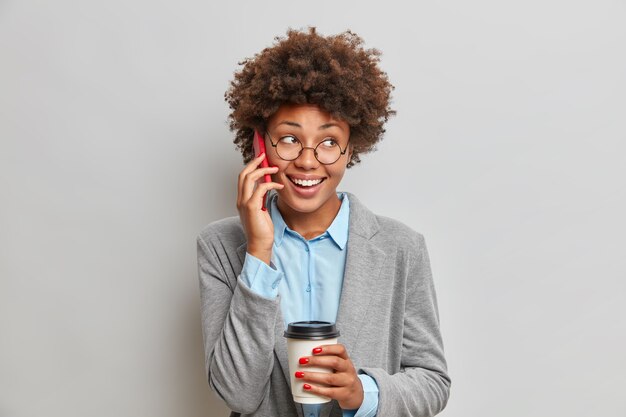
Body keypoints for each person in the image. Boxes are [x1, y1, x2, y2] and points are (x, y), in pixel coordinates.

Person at [197, 27, 451, 417]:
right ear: (260, 145)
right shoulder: (220, 245)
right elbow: (239, 395)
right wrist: (259, 252)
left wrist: (362, 393)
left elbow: (432, 382)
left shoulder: (402, 247)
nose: (308, 160)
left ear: (352, 148)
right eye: (289, 139)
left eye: (329, 141)